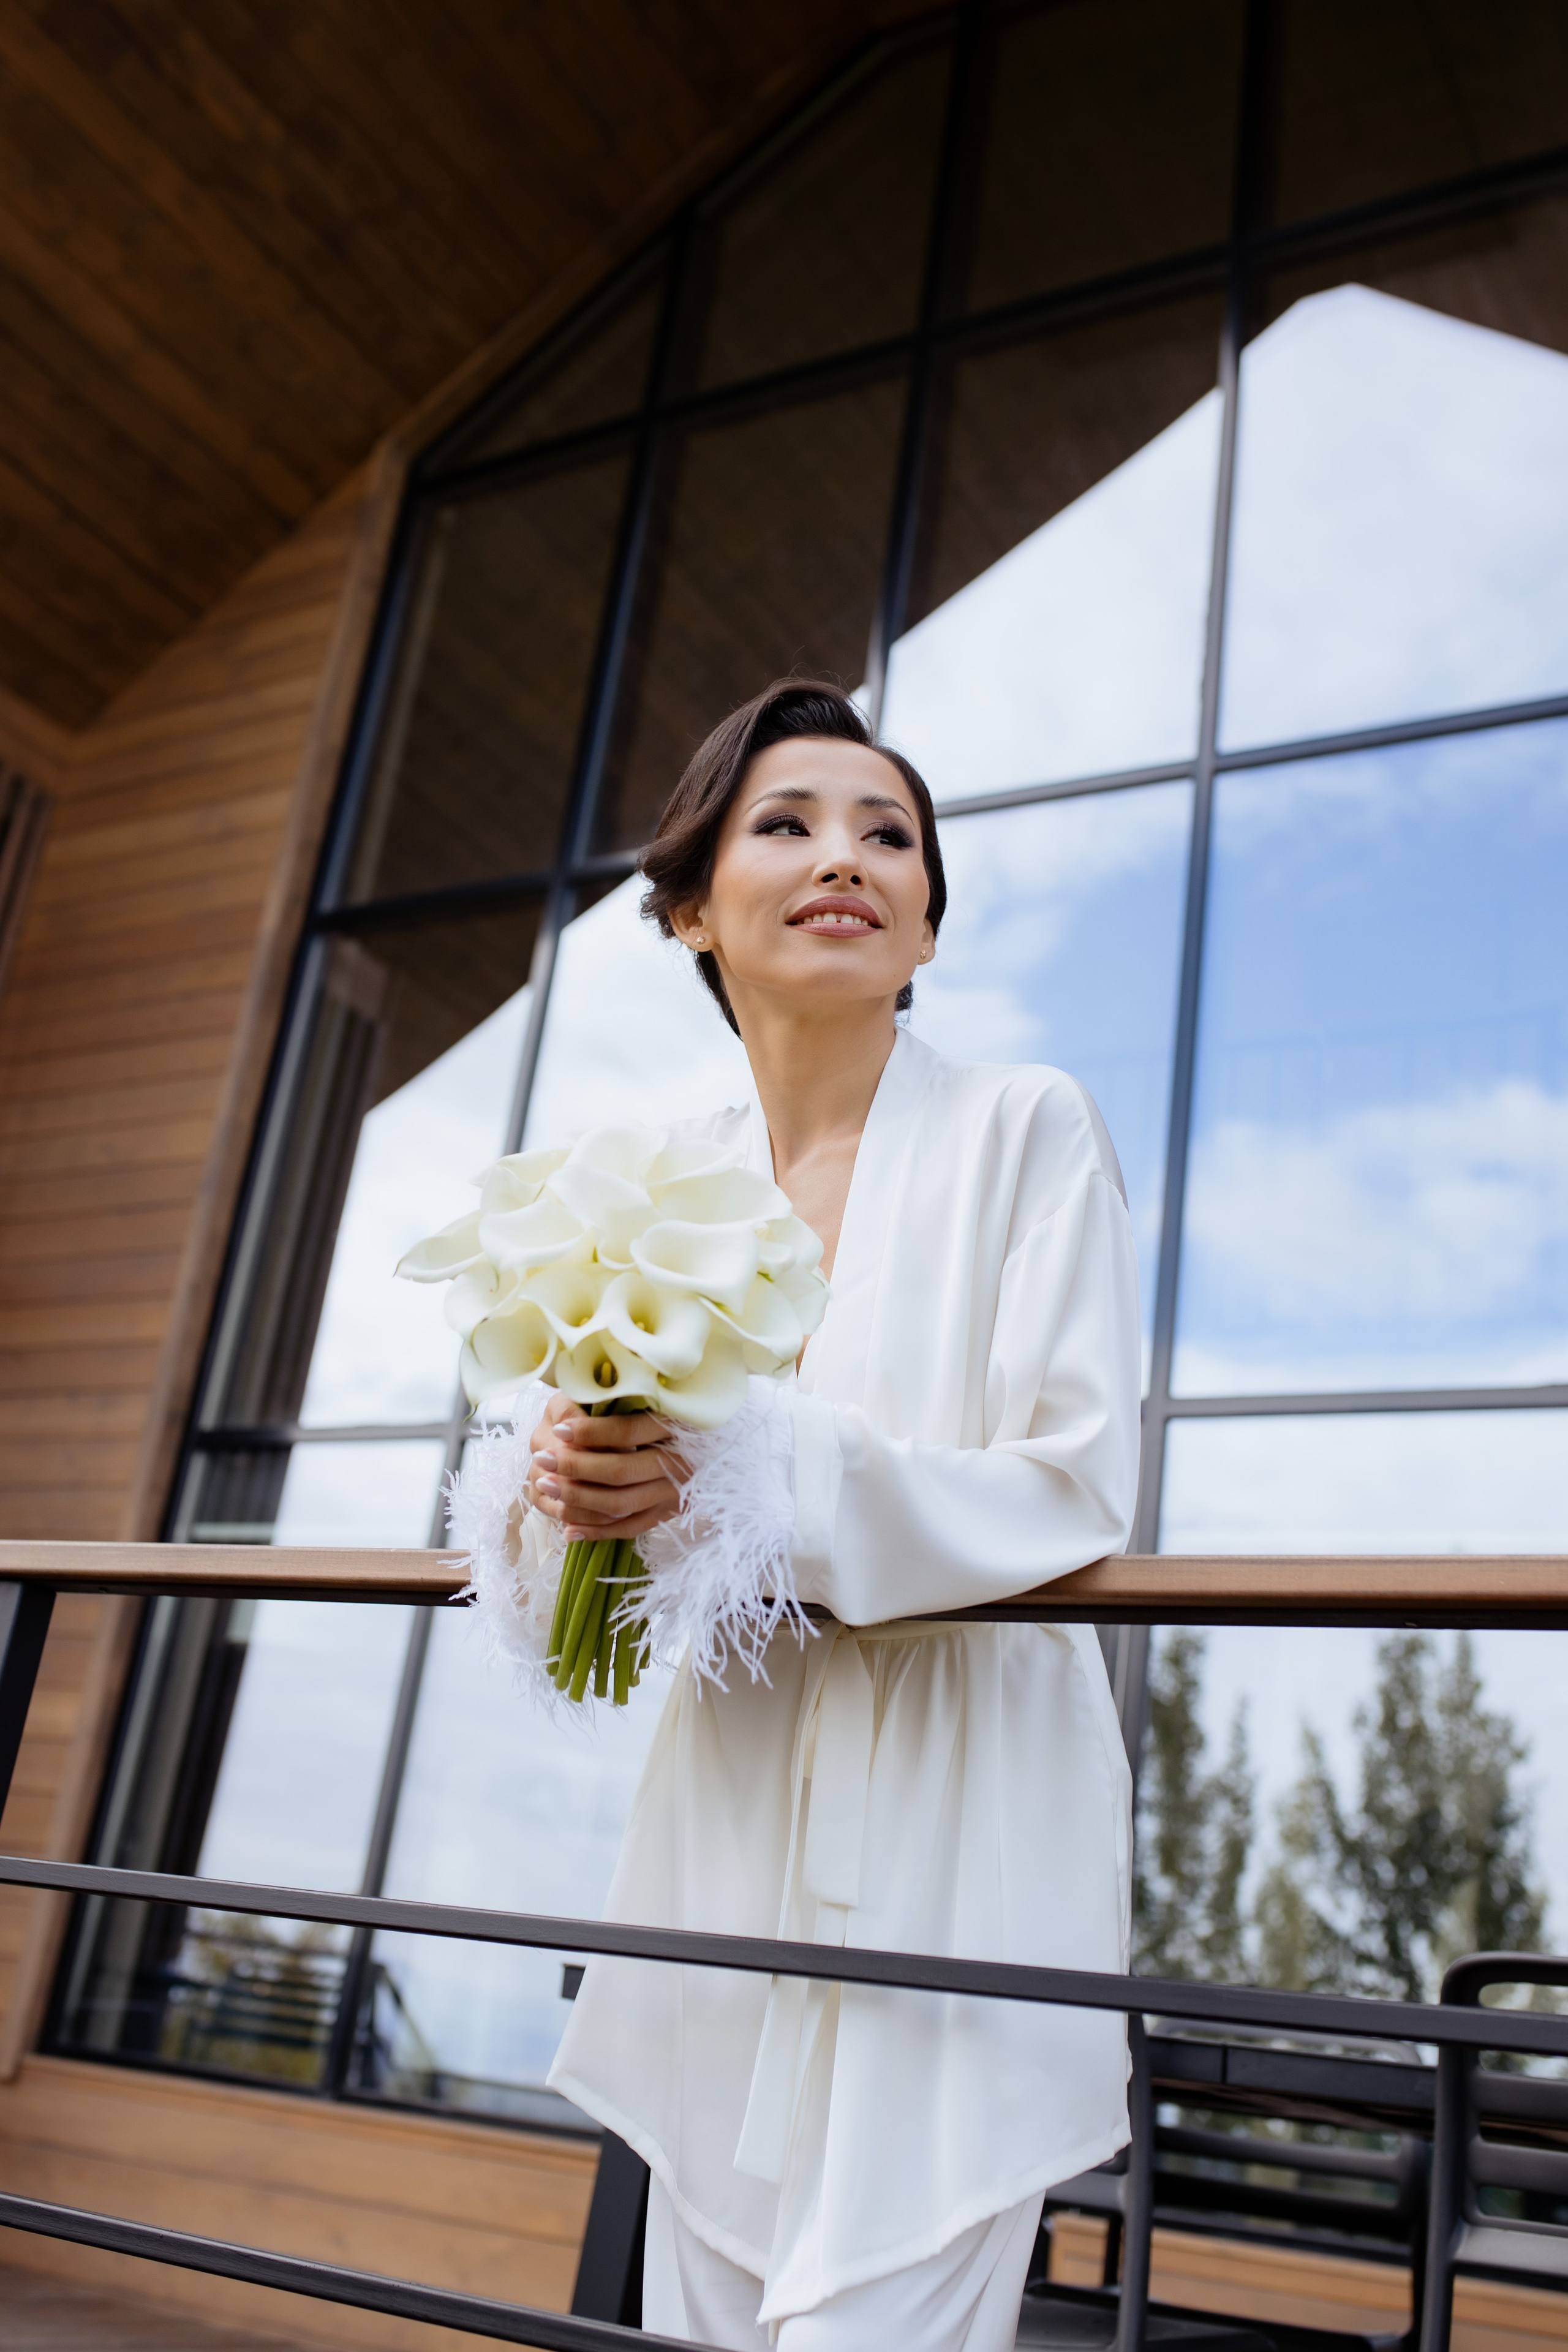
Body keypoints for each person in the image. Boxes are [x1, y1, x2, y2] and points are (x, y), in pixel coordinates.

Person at [499, 679, 1140, 2349]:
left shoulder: (1029, 1127)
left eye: (890, 833)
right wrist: (574, 1493)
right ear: (695, 906)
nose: (844, 855)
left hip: (959, 1824)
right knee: (705, 2296)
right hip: (726, 1833)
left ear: (927, 923)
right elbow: (603, 1573)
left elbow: (1075, 1480)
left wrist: (767, 1476)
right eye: (785, 823)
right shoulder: (657, 1181)